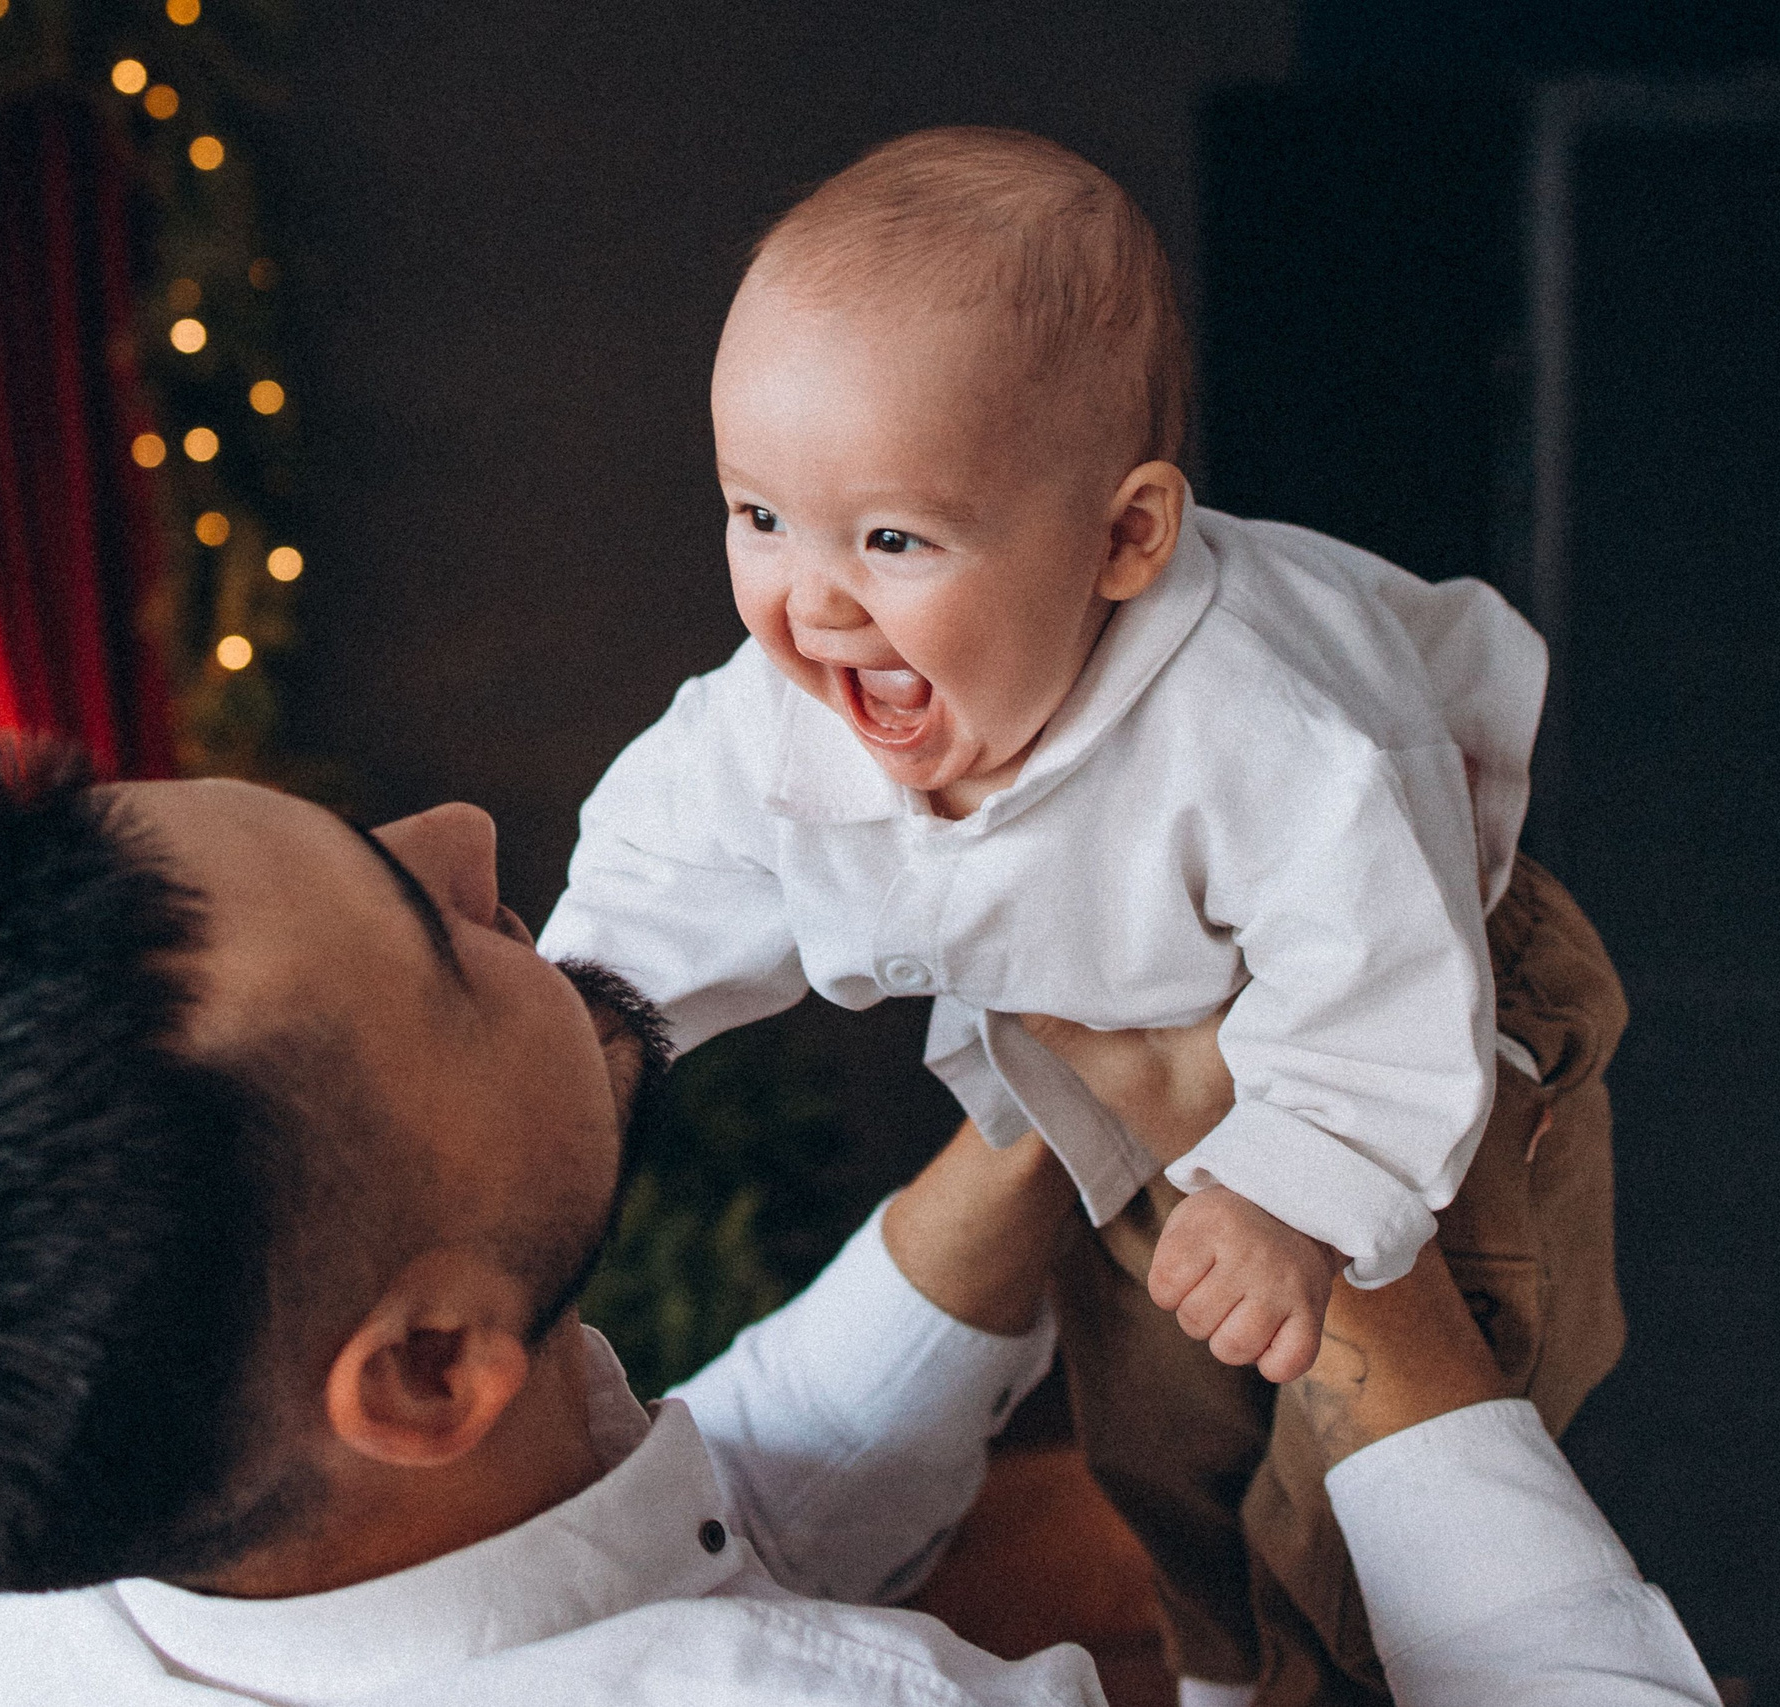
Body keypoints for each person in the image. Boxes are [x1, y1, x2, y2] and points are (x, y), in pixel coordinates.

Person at [0, 738, 1711, 1704]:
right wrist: (1344, 1250)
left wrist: (1028, 1134)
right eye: (429, 937)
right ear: (428, 1364)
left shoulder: (36, 1582)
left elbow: (640, 1539)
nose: (462, 831)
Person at [534, 125, 1625, 1702]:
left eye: (892, 540)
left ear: (1124, 539)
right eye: (757, 517)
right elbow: (665, 867)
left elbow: (1380, 968)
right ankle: (1222, 1666)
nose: (810, 602)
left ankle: (1355, 1678)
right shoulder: (789, 709)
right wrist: (586, 1020)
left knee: (1356, 1478)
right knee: (1159, 1435)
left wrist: (1301, 1189)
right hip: (1112, 1076)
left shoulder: (1267, 719)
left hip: (1423, 1032)